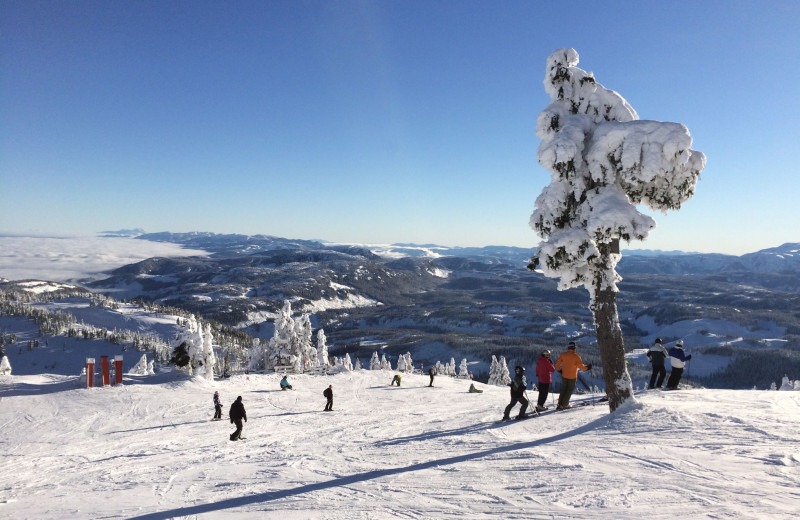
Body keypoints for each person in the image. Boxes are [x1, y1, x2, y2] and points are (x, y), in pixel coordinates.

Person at [554, 341, 592, 410]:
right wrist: (588, 367)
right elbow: (581, 367)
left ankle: (560, 404)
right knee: (569, 390)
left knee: (563, 389)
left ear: (568, 347)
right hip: (572, 376)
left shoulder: (563, 355)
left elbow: (557, 363)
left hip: (564, 375)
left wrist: (560, 370)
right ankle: (565, 404)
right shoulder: (576, 357)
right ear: (574, 348)